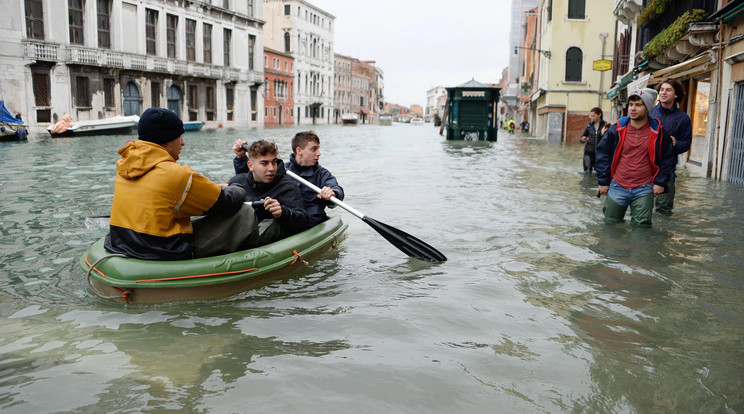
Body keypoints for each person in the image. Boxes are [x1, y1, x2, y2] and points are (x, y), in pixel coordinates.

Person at [105, 108, 256, 260]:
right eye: (180, 136)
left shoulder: (124, 166)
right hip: (163, 251)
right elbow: (226, 201)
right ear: (168, 141)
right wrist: (236, 186)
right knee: (245, 212)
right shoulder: (177, 175)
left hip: (123, 244)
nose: (183, 143)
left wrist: (215, 188)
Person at [596, 88, 675, 226]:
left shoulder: (659, 132)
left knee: (642, 229)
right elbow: (603, 154)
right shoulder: (617, 129)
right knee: (610, 225)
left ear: (648, 107)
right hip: (617, 186)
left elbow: (668, 159)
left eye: (638, 105)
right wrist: (603, 181)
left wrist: (660, 182)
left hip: (644, 188)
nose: (633, 108)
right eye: (631, 104)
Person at [228, 139, 308, 244]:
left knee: (271, 225)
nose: (271, 168)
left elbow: (303, 222)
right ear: (251, 166)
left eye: (274, 162)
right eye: (264, 163)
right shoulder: (237, 182)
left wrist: (282, 213)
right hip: (242, 230)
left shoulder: (288, 187)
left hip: (271, 234)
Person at [650, 78, 692, 215]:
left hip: (667, 170)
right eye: (661, 89)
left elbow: (686, 143)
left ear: (676, 94)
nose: (663, 92)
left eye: (668, 90)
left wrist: (676, 143)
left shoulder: (683, 118)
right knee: (641, 207)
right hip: (645, 168)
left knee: (663, 211)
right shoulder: (650, 112)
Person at [579, 107, 610, 175]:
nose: (592, 118)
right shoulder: (589, 125)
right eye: (591, 116)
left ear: (599, 115)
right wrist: (582, 139)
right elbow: (582, 137)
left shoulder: (605, 125)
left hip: (600, 153)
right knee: (587, 173)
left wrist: (602, 134)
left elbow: (609, 140)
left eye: (594, 116)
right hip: (588, 153)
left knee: (599, 173)